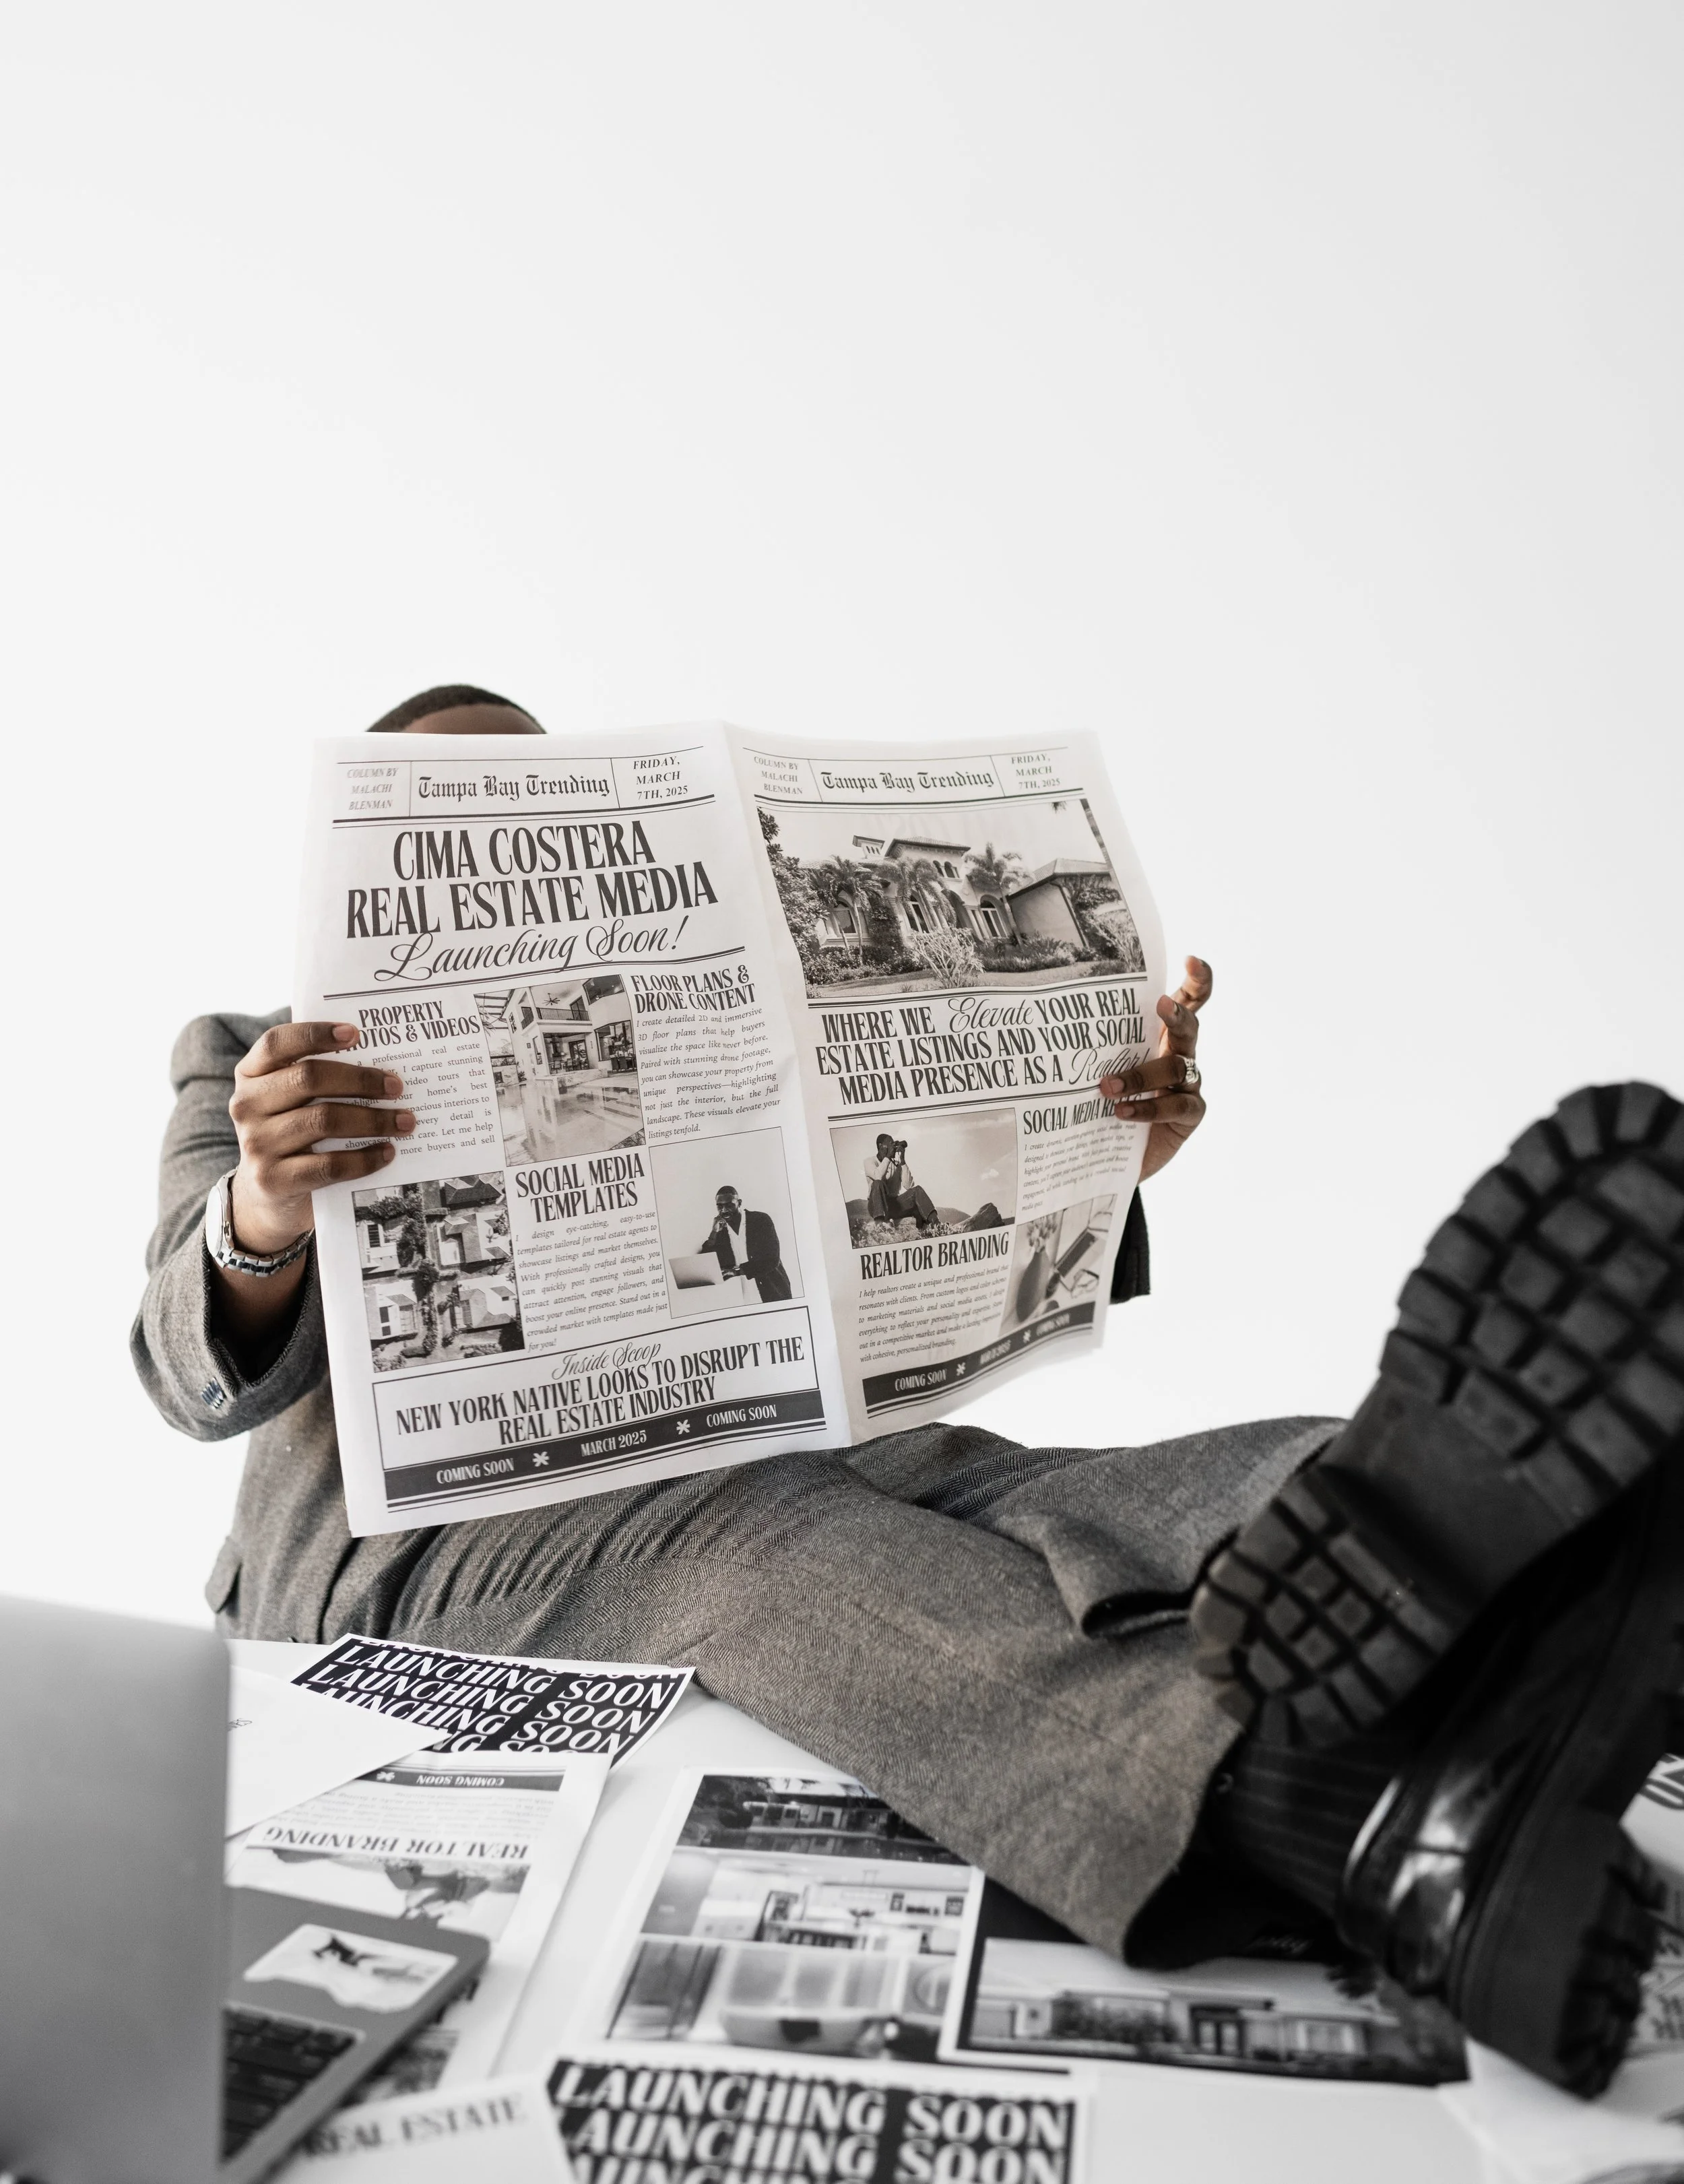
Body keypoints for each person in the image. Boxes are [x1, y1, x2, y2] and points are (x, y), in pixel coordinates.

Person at [133, 684, 1684, 2099]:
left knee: (1073, 1492)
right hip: (407, 1557)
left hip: (763, 1435)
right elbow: (183, 1362)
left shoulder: (699, 994)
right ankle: (1342, 1812)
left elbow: (880, 1252)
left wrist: (1096, 1152)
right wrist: (264, 1215)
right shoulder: (252, 1059)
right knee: (775, 1557)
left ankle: (1531, 1544)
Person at [701, 1185, 791, 1303]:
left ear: (739, 1203)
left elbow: (772, 1259)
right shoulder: (721, 1232)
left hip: (772, 1290)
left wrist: (737, 1271)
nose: (724, 1210)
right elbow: (708, 1260)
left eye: (729, 1205)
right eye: (720, 1206)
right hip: (741, 1295)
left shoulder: (760, 1220)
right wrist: (714, 1231)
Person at [864, 1134, 939, 1228]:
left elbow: (909, 1186)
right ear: (880, 1146)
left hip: (894, 1206)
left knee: (917, 1190)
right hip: (876, 1206)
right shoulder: (869, 1161)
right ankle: (879, 1224)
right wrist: (887, 1157)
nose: (893, 1147)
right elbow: (878, 1176)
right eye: (890, 1144)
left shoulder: (895, 1165)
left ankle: (937, 1225)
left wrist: (902, 1161)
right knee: (877, 1183)